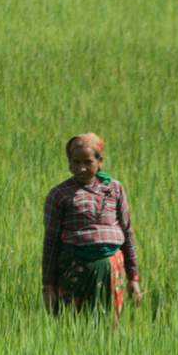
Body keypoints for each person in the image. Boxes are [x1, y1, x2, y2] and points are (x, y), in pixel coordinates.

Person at [42, 133, 142, 321]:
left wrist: (133, 277)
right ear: (69, 163)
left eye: (87, 162)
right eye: (75, 162)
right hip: (74, 269)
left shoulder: (114, 189)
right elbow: (51, 242)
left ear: (100, 162)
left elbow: (127, 233)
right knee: (72, 326)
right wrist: (48, 287)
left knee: (109, 327)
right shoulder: (59, 194)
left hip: (112, 270)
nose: (81, 168)